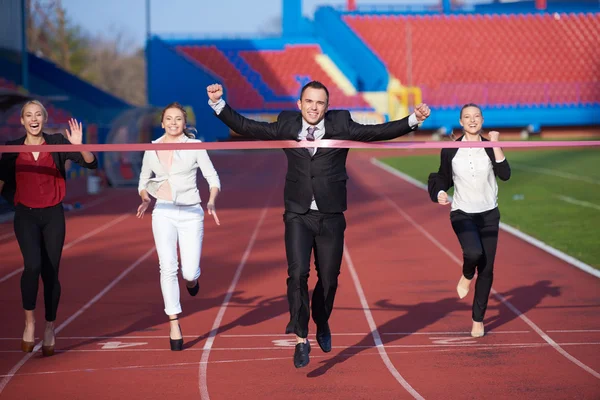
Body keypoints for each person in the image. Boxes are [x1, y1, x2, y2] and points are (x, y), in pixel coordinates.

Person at [207, 81, 430, 368]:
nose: (313, 107)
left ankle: (322, 321)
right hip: (297, 214)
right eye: (308, 102)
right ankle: (301, 338)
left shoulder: (341, 123)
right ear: (299, 104)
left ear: (327, 106)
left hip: (331, 215)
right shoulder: (287, 124)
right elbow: (249, 127)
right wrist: (218, 103)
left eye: (320, 103)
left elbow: (376, 133)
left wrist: (414, 120)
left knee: (329, 280)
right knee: (297, 273)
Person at [0, 100, 98, 357]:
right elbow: (1, 181)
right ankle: (30, 322)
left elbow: (90, 163)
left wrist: (79, 146)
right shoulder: (11, 148)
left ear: (44, 119)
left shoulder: (56, 142)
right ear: (22, 121)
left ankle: (50, 327)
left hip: (53, 214)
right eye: (28, 115)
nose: (34, 119)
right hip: (25, 215)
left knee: (51, 272)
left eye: (38, 115)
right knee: (32, 265)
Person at [136, 102, 221, 351]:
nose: (173, 123)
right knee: (167, 268)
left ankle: (193, 282)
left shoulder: (195, 146)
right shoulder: (151, 149)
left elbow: (212, 177)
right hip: (163, 212)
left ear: (185, 123)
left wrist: (212, 200)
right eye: (169, 119)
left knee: (189, 272)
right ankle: (174, 322)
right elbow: (143, 180)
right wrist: (145, 197)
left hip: (191, 212)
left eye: (178, 120)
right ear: (162, 123)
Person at [427, 103, 511, 337]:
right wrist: (440, 192)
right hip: (462, 212)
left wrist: (496, 144)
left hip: (489, 213)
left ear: (482, 120)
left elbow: (505, 174)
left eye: (476, 116)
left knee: (487, 269)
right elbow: (442, 177)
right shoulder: (451, 149)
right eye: (467, 117)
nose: (472, 120)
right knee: (474, 254)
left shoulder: (489, 147)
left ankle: (478, 319)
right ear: (461, 122)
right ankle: (466, 275)